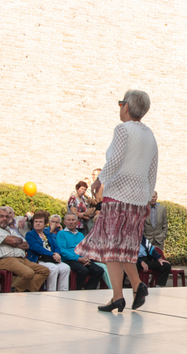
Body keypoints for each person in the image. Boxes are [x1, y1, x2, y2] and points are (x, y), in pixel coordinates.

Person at [76, 89, 158, 312]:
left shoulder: (122, 129)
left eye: (121, 103)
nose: (120, 107)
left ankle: (118, 296)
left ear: (127, 107)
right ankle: (137, 284)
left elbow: (115, 159)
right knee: (125, 247)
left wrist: (98, 180)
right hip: (138, 199)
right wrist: (146, 198)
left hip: (118, 195)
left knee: (112, 247)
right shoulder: (149, 134)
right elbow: (153, 169)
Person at [0, 207, 50, 292]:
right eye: (1, 216)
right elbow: (14, 241)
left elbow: (26, 245)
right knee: (28, 273)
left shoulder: (10, 230)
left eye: (7, 216)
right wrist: (14, 241)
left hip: (21, 259)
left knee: (44, 271)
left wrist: (13, 242)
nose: (5, 219)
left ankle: (28, 291)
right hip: (4, 260)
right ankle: (18, 292)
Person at [56, 213, 104, 290]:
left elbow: (84, 249)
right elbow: (63, 251)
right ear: (65, 222)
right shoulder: (61, 234)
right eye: (68, 220)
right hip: (69, 259)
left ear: (77, 222)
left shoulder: (80, 235)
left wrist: (85, 258)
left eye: (73, 220)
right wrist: (78, 259)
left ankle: (87, 289)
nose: (71, 222)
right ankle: (78, 290)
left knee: (99, 270)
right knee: (83, 270)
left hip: (81, 258)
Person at [25, 211, 71, 291]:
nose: (38, 223)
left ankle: (63, 292)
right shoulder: (30, 234)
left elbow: (55, 246)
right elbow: (37, 248)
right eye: (36, 221)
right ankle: (51, 292)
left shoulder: (47, 234)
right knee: (53, 268)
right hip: (38, 259)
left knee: (65, 268)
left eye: (40, 222)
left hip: (50, 258)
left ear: (45, 223)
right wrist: (52, 254)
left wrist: (57, 253)